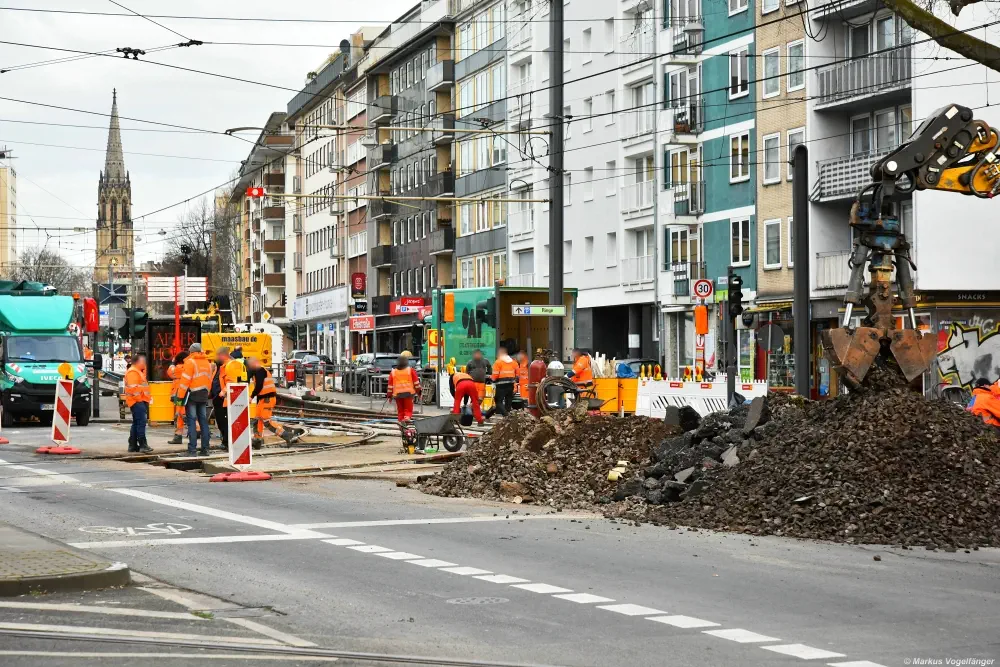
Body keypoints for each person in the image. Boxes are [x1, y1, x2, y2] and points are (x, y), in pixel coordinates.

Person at [248, 356, 298, 447]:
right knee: (257, 420)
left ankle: (287, 435)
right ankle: (257, 440)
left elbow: (259, 386)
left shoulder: (260, 370)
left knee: (267, 422)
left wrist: (251, 397)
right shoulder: (258, 372)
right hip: (263, 399)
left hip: (267, 399)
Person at [176, 343, 212, 456]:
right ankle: (205, 449)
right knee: (203, 422)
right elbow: (209, 380)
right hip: (204, 394)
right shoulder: (207, 363)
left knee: (191, 422)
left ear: (191, 352)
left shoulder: (190, 362)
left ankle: (192, 450)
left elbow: (185, 381)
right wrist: (206, 393)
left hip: (192, 395)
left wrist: (180, 397)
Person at [124, 354, 152, 453]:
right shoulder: (133, 372)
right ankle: (142, 445)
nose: (144, 364)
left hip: (138, 401)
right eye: (143, 362)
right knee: (141, 423)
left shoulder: (137, 371)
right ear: (138, 362)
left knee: (137, 423)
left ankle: (132, 445)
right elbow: (133, 389)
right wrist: (139, 400)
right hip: (137, 401)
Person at [387, 351, 421, 424]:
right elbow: (416, 383)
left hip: (398, 395)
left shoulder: (393, 372)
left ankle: (401, 424)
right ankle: (406, 420)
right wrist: (419, 393)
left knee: (400, 411)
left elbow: (390, 386)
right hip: (408, 394)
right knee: (408, 410)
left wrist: (389, 396)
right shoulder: (410, 370)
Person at [209, 346, 231, 451]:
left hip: (223, 398)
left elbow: (231, 381)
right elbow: (215, 380)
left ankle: (227, 442)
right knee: (220, 421)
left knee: (224, 421)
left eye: (218, 355)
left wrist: (223, 392)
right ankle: (225, 441)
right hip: (217, 397)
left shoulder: (229, 366)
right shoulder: (219, 366)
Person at [167, 351, 189, 445]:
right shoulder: (189, 367)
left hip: (179, 396)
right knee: (185, 414)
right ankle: (197, 430)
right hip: (188, 395)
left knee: (181, 414)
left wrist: (172, 362)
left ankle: (178, 435)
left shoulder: (179, 368)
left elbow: (170, 372)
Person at [491, 345, 519, 417]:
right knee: (508, 401)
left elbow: (495, 375)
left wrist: (492, 379)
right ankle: (507, 415)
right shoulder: (514, 362)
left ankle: (506, 415)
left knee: (498, 401)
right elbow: (517, 374)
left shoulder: (498, 362)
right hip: (511, 384)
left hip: (501, 384)